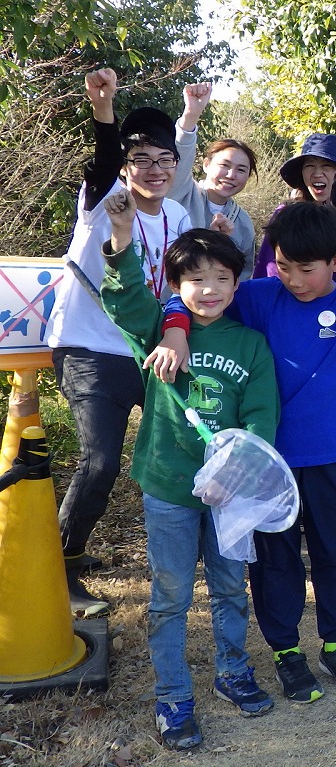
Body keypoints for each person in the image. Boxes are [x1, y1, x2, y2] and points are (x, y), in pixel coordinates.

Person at [165, 173, 336, 702]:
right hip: (267, 460)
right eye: (283, 266)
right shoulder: (258, 297)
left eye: (306, 268)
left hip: (331, 457)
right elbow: (196, 299)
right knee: (275, 558)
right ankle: (285, 651)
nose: (294, 279)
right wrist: (175, 331)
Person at [100, 192, 279, 749]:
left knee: (229, 588)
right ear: (176, 285)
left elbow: (261, 416)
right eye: (196, 279)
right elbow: (124, 297)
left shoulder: (250, 345)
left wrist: (237, 473)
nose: (210, 289)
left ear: (237, 283)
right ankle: (173, 696)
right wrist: (122, 235)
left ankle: (232, 672)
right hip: (169, 487)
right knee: (171, 595)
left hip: (229, 494)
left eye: (222, 278)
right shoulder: (159, 329)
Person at [46, 68, 194, 617]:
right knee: (101, 460)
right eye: (141, 160)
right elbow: (103, 159)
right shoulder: (106, 197)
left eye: (163, 159)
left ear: (175, 165)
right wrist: (103, 110)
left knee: (186, 441)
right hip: (88, 349)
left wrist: (176, 330)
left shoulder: (178, 215)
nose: (153, 170)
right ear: (127, 167)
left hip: (146, 349)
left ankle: (187, 548)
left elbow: (180, 288)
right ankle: (61, 568)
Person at [169, 82, 259, 277]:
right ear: (206, 164)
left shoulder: (243, 222)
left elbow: (243, 276)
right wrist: (191, 114)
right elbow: (179, 157)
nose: (231, 175)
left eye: (241, 170)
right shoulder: (182, 191)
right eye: (224, 165)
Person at [252, 132, 336, 279]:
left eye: (327, 166)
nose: (317, 173)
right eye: (310, 165)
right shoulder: (286, 216)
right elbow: (268, 270)